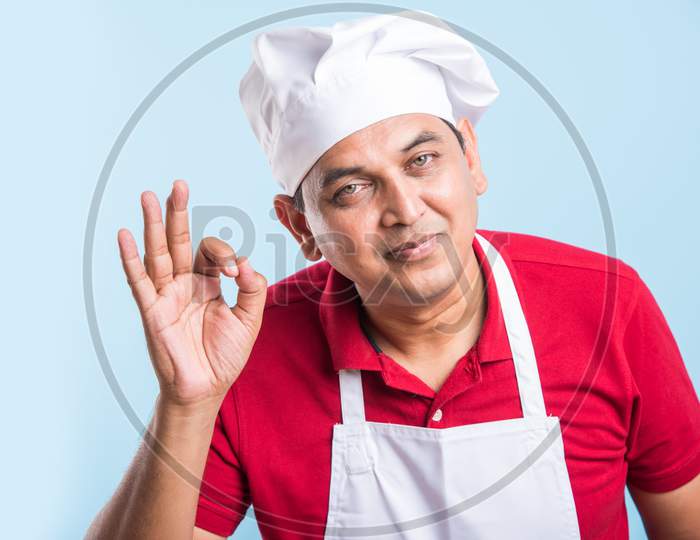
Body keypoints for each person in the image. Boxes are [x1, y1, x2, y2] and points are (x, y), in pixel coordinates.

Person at [85, 10, 700, 540]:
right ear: (300, 228)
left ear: (472, 160)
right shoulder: (246, 349)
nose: (406, 211)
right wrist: (186, 402)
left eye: (423, 160)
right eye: (353, 188)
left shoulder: (606, 305)